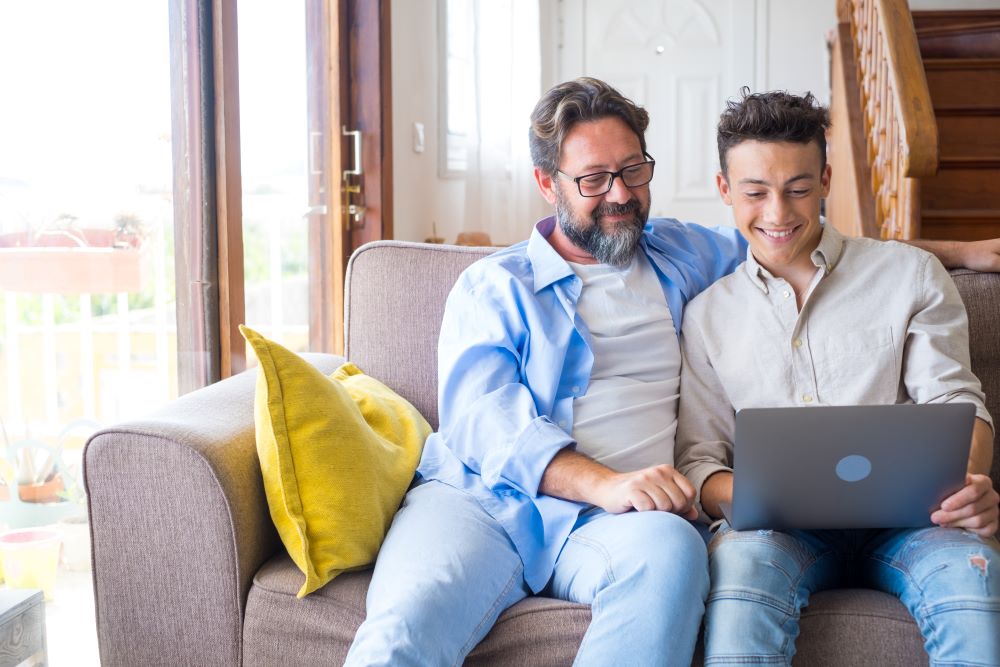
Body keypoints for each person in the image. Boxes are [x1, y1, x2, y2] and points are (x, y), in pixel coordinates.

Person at [345, 77, 1000, 666]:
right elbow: (484, 424)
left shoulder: (683, 255)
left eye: (633, 169)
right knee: (407, 624)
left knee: (674, 553)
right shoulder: (492, 286)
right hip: (483, 505)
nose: (622, 194)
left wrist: (961, 251)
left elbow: (799, 238)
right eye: (594, 179)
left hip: (621, 526)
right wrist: (606, 483)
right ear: (547, 184)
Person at [675, 89, 1000, 666]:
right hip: (777, 536)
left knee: (971, 581)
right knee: (742, 573)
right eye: (756, 192)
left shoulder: (909, 275)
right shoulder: (706, 316)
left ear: (825, 179)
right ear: (725, 190)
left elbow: (957, 401)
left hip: (914, 523)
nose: (778, 214)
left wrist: (968, 484)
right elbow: (700, 462)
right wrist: (765, 499)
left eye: (798, 189)